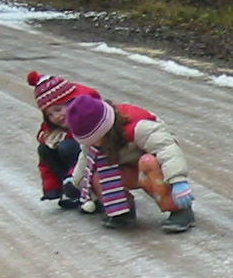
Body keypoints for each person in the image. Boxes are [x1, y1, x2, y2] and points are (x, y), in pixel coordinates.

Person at [65, 94, 196, 233]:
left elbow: (167, 150)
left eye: (95, 139)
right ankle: (121, 210)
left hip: (153, 169)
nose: (93, 144)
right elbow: (86, 163)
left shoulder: (139, 128)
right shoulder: (93, 143)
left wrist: (178, 180)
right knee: (97, 175)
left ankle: (179, 210)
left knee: (148, 162)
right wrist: (76, 184)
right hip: (127, 170)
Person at [27, 70, 100, 209]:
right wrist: (51, 186)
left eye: (59, 109)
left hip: (94, 164)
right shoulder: (54, 132)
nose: (57, 117)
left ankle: (85, 190)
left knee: (68, 146)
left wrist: (71, 178)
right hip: (74, 171)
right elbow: (44, 163)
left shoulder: (89, 121)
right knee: (45, 149)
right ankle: (69, 189)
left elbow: (89, 154)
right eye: (50, 114)